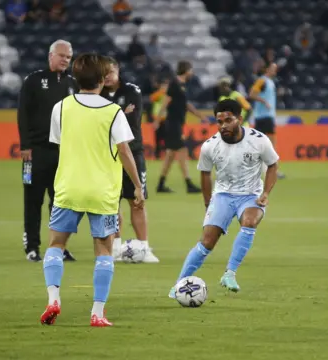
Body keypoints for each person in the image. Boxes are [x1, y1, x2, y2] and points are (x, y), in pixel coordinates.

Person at [40, 53, 144, 327]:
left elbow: (59, 144)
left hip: (68, 188)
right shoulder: (113, 112)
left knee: (56, 245)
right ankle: (97, 312)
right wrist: (137, 185)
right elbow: (125, 152)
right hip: (102, 192)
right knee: (104, 251)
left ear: (76, 78)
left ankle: (53, 298)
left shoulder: (61, 107)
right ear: (102, 80)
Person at [168, 99, 279, 298]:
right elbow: (204, 173)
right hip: (223, 195)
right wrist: (207, 202)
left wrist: (266, 193)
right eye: (219, 122)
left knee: (250, 221)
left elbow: (273, 165)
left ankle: (230, 273)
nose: (223, 126)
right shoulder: (210, 146)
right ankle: (178, 285)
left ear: (240, 119)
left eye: (228, 120)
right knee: (207, 242)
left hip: (251, 194)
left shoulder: (259, 140)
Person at [17, 39, 77, 262]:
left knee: (60, 201)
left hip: (62, 153)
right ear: (51, 55)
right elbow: (23, 113)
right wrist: (25, 145)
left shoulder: (73, 83)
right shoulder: (33, 80)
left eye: (69, 57)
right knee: (32, 200)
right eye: (62, 55)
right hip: (34, 154)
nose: (65, 60)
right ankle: (32, 247)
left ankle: (59, 247)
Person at [99, 57, 159, 263]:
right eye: (103, 72)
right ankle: (115, 248)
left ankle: (144, 248)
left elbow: (129, 122)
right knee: (112, 204)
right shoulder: (97, 93)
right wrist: (119, 114)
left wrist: (111, 117)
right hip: (108, 154)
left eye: (110, 71)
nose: (106, 76)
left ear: (118, 70)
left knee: (137, 201)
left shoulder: (132, 90)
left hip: (132, 152)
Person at [155, 60, 208, 193]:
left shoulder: (182, 85)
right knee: (182, 151)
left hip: (177, 122)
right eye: (191, 69)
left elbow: (185, 104)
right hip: (173, 123)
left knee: (170, 155)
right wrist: (157, 120)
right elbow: (165, 102)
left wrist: (199, 115)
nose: (192, 72)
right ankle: (188, 183)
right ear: (186, 70)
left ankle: (161, 184)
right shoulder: (174, 84)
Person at [249, 62, 285, 179]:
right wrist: (264, 102)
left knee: (262, 145)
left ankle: (264, 170)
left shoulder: (270, 82)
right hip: (263, 117)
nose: (275, 71)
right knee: (268, 144)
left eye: (276, 69)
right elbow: (252, 94)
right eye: (273, 68)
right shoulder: (262, 81)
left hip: (266, 116)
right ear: (267, 69)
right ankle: (272, 171)